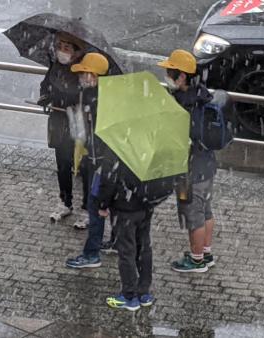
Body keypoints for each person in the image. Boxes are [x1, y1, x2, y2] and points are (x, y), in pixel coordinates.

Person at [157, 50, 217, 273]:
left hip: (188, 169)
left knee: (193, 214)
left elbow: (174, 138)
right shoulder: (201, 94)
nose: (167, 76)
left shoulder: (182, 104)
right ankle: (206, 252)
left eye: (170, 72)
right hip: (207, 165)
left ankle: (197, 259)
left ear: (181, 76)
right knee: (206, 210)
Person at [95, 143, 157, 311]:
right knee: (144, 247)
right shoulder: (149, 142)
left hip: (125, 207)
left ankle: (129, 295)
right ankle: (144, 292)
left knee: (126, 250)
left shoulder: (118, 143)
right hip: (145, 204)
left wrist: (102, 204)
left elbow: (109, 179)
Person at [64, 53, 111, 268]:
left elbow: (94, 134)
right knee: (105, 206)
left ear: (95, 75)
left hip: (100, 162)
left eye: (85, 73)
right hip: (100, 160)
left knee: (96, 207)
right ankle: (116, 242)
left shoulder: (97, 100)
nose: (81, 76)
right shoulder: (99, 95)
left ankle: (92, 254)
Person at [38, 32, 89, 228]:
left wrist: (77, 105)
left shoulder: (85, 70)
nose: (62, 50)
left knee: (85, 168)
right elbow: (46, 86)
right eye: (60, 46)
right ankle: (65, 202)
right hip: (59, 120)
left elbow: (86, 94)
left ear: (77, 52)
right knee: (63, 164)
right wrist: (46, 98)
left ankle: (87, 209)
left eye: (68, 47)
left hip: (80, 123)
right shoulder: (55, 66)